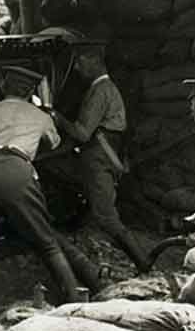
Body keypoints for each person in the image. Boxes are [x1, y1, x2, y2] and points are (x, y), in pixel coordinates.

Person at [0, 65, 106, 303]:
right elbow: (54, 143)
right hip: (16, 170)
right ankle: (75, 297)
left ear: (2, 87)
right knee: (47, 243)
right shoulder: (40, 116)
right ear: (30, 93)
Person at [40, 43, 150, 272]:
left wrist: (55, 116)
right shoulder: (101, 88)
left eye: (81, 62)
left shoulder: (101, 90)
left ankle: (144, 263)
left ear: (94, 60)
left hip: (99, 157)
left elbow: (82, 132)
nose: (78, 68)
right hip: (98, 154)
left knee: (107, 217)